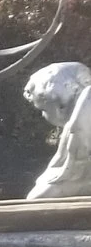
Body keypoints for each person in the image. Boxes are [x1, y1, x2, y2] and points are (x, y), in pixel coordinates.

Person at [22, 59, 91, 200]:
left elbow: (73, 173)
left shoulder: (81, 122)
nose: (43, 115)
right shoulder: (74, 125)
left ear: (60, 106)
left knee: (37, 198)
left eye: (43, 109)